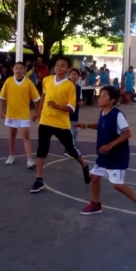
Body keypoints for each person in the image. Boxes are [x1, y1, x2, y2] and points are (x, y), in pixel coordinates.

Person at [74, 86, 136, 226]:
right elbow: (101, 125)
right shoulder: (103, 112)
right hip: (104, 155)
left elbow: (127, 133)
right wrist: (86, 125)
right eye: (100, 94)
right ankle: (96, 204)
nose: (100, 97)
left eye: (104, 95)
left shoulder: (118, 115)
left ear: (112, 100)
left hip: (116, 155)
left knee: (117, 185)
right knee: (94, 177)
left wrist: (111, 145)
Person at [30, 57, 91, 194]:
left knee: (71, 148)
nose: (58, 67)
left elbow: (71, 108)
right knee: (42, 149)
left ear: (68, 69)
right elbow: (43, 96)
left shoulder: (70, 86)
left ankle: (85, 165)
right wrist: (38, 112)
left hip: (61, 124)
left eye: (62, 66)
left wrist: (57, 106)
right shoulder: (47, 80)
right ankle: (38, 179)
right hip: (45, 121)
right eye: (57, 65)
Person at [0, 62, 41, 167]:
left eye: (20, 68)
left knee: (26, 135)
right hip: (11, 113)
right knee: (12, 135)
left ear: (24, 71)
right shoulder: (8, 81)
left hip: (24, 114)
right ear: (13, 70)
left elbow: (36, 98)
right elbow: (2, 97)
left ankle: (29, 159)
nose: (18, 70)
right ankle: (11, 155)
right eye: (16, 68)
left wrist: (37, 111)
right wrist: (1, 110)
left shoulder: (28, 82)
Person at [67, 68, 83, 149]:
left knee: (73, 130)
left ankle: (72, 148)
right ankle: (71, 148)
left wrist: (80, 102)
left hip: (75, 111)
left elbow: (80, 99)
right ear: (69, 75)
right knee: (73, 130)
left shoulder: (79, 88)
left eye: (75, 74)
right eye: (72, 74)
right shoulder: (66, 85)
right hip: (66, 110)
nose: (73, 76)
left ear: (78, 76)